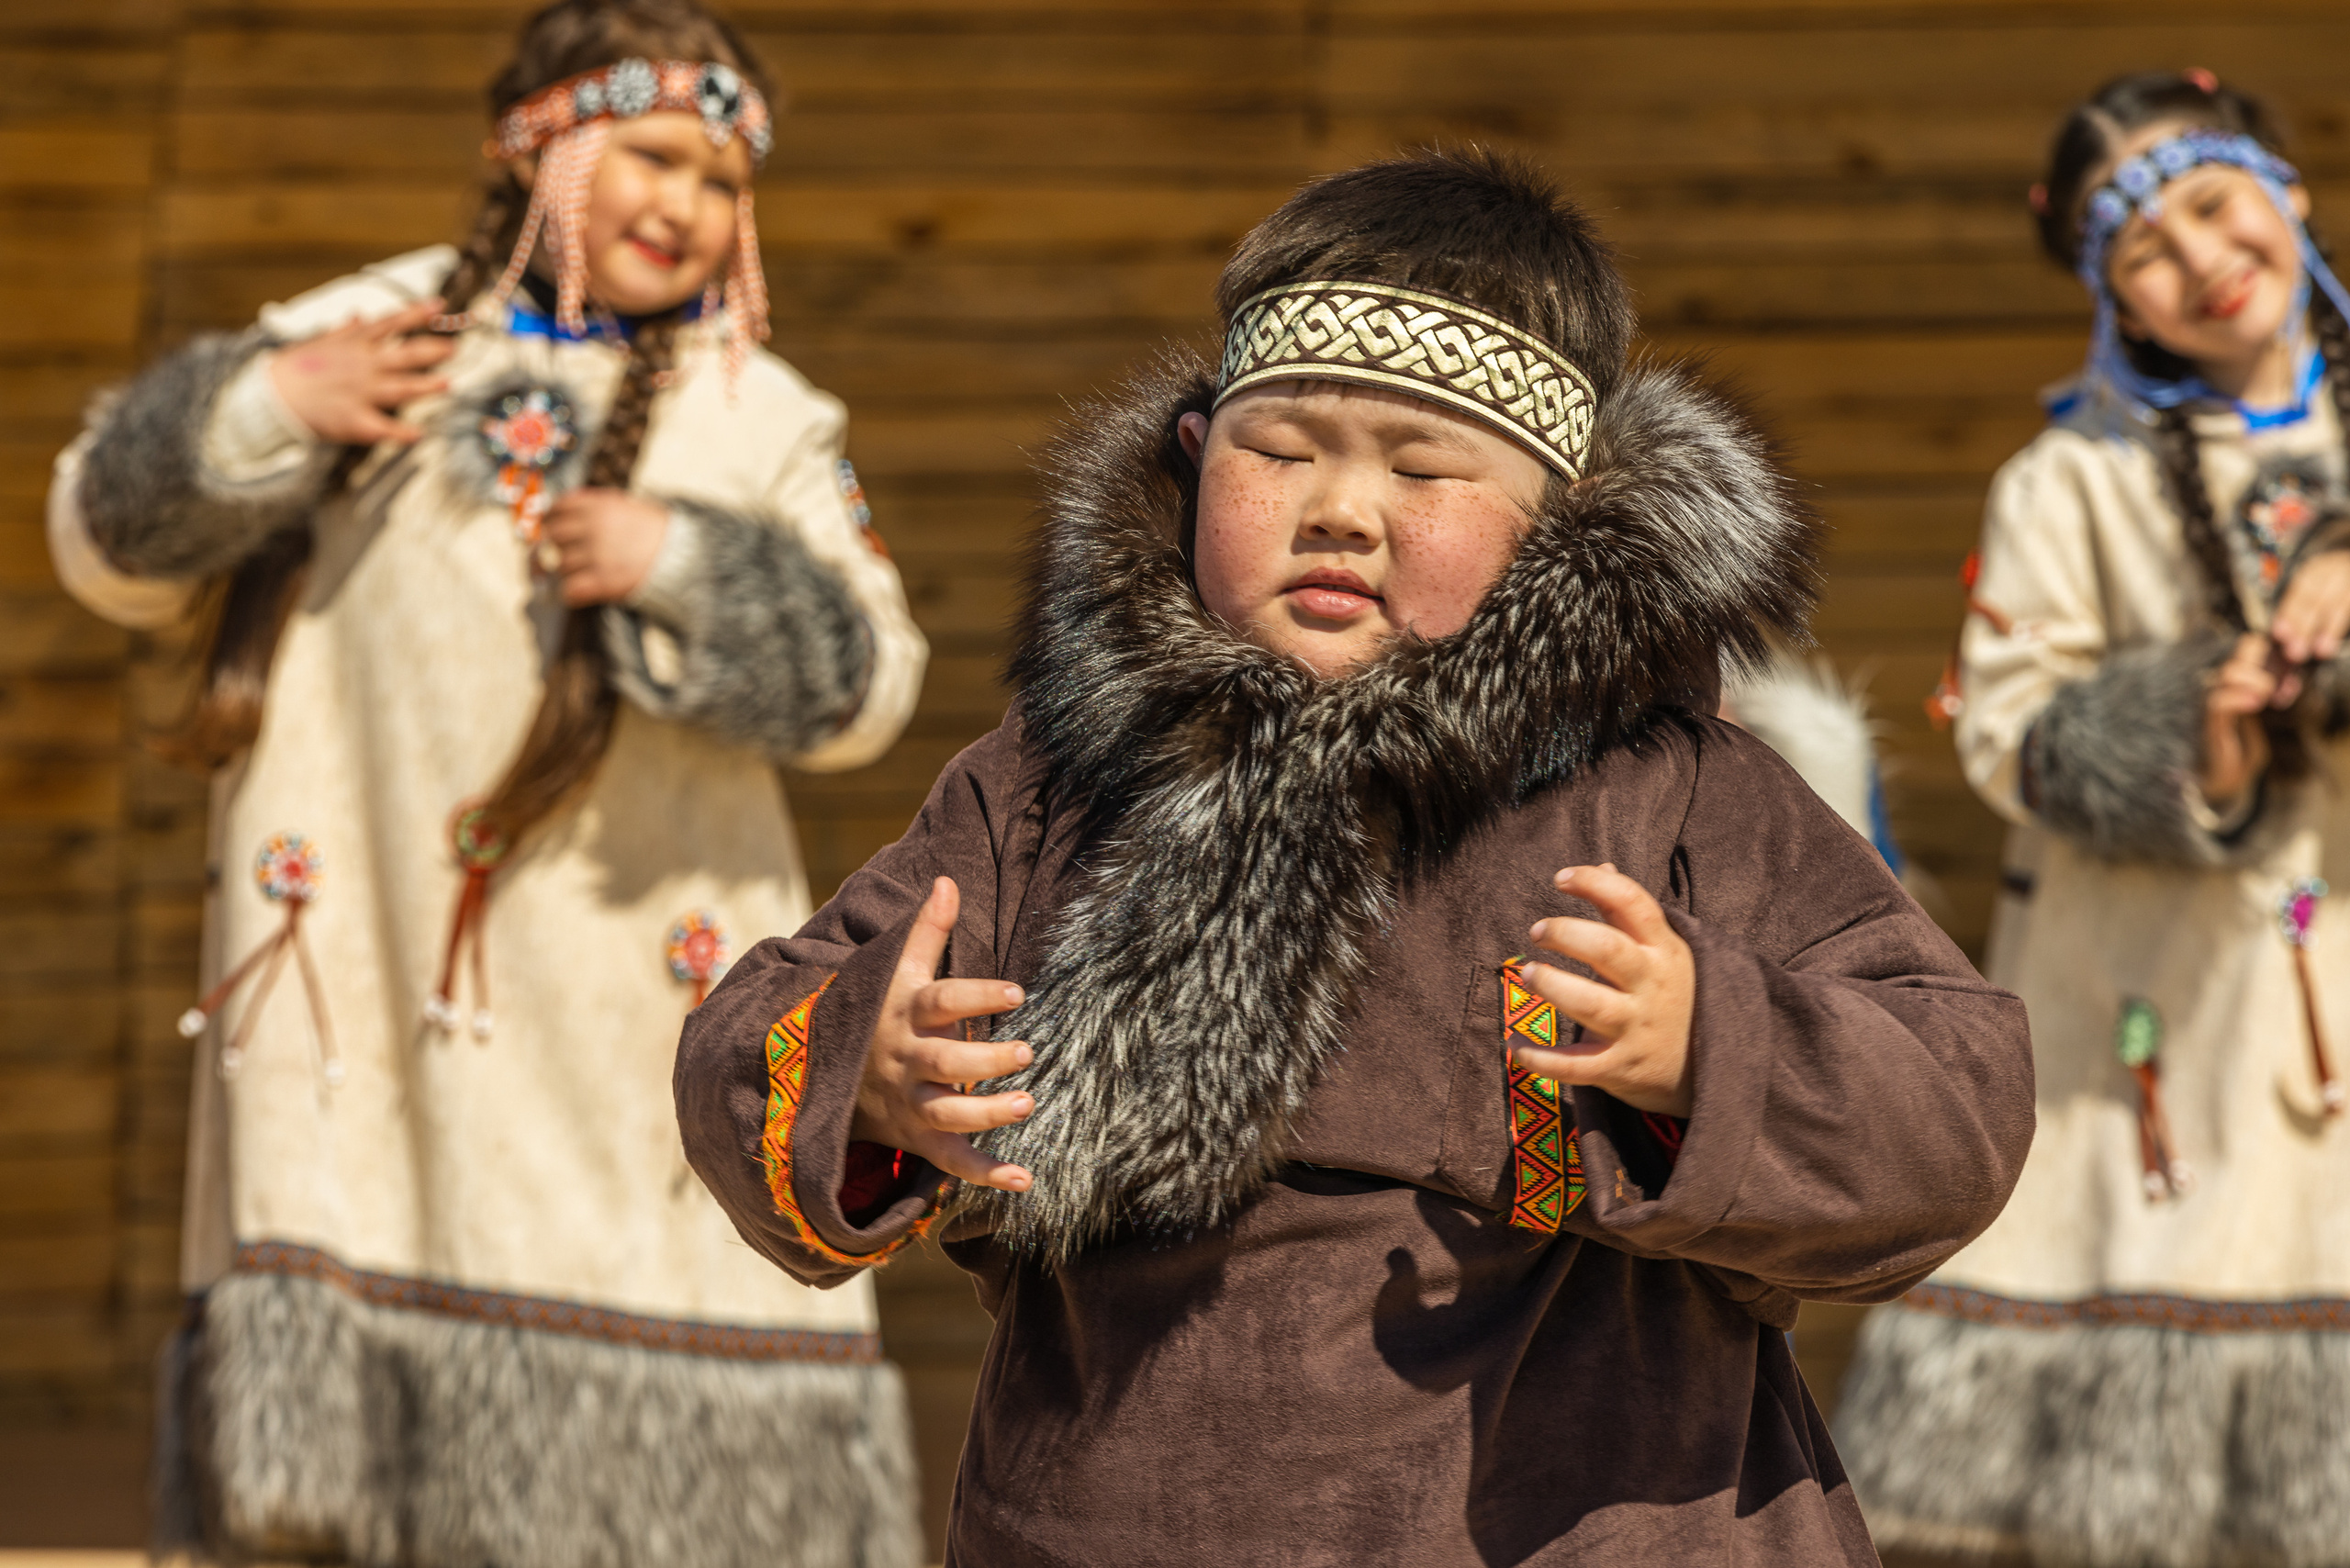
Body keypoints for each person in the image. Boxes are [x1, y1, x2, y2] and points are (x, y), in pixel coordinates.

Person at [674, 148, 2033, 1565]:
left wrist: (1711, 1047)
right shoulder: (1044, 785)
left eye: (1424, 466)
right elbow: (748, 1035)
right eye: (1282, 448)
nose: (1341, 506)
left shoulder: (1677, 793)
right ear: (1197, 456)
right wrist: (865, 1072)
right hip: (1114, 1515)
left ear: (1560, 517)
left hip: (1593, 1512)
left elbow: (1960, 1095)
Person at [46, 2, 927, 1562]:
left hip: (637, 1007)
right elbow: (101, 543)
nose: (684, 203)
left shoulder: (765, 418)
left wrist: (689, 566)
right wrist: (268, 409)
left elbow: (873, 681)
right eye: (651, 153)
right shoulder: (358, 336)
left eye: (722, 179)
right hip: (370, 998)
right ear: (528, 143)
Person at [1835, 70, 2350, 1566]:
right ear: (2108, 293)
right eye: (2144, 247)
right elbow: (2005, 730)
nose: (2199, 257)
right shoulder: (2068, 484)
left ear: (2289, 192)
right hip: (2158, 1014)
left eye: (2211, 202)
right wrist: (2202, 717)